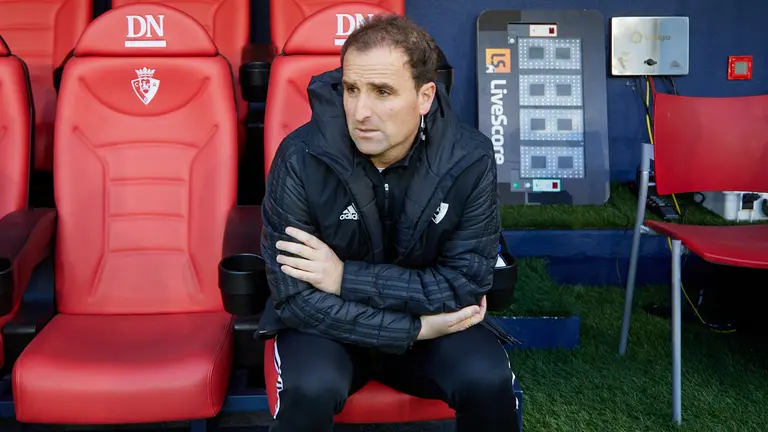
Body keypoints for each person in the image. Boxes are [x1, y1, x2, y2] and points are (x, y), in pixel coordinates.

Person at [258, 13, 519, 432]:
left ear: (425, 96)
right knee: (310, 387)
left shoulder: (470, 158)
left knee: (486, 378)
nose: (361, 110)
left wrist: (345, 278)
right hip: (332, 331)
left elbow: (463, 286)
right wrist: (414, 329)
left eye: (382, 92)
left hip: (435, 331)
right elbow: (296, 300)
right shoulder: (299, 157)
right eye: (351, 89)